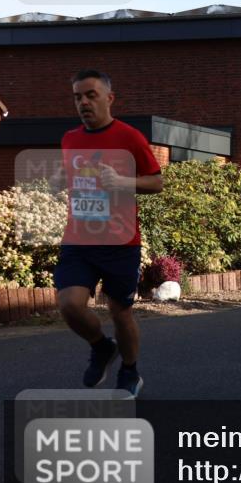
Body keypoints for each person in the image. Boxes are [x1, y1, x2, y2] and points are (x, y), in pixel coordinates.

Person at [53, 70, 163, 399]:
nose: (83, 102)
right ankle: (101, 347)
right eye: (77, 97)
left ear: (109, 98)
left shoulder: (130, 138)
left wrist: (122, 182)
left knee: (120, 312)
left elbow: (156, 181)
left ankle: (130, 370)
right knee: (69, 305)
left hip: (120, 241)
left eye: (90, 95)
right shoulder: (69, 139)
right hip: (79, 239)